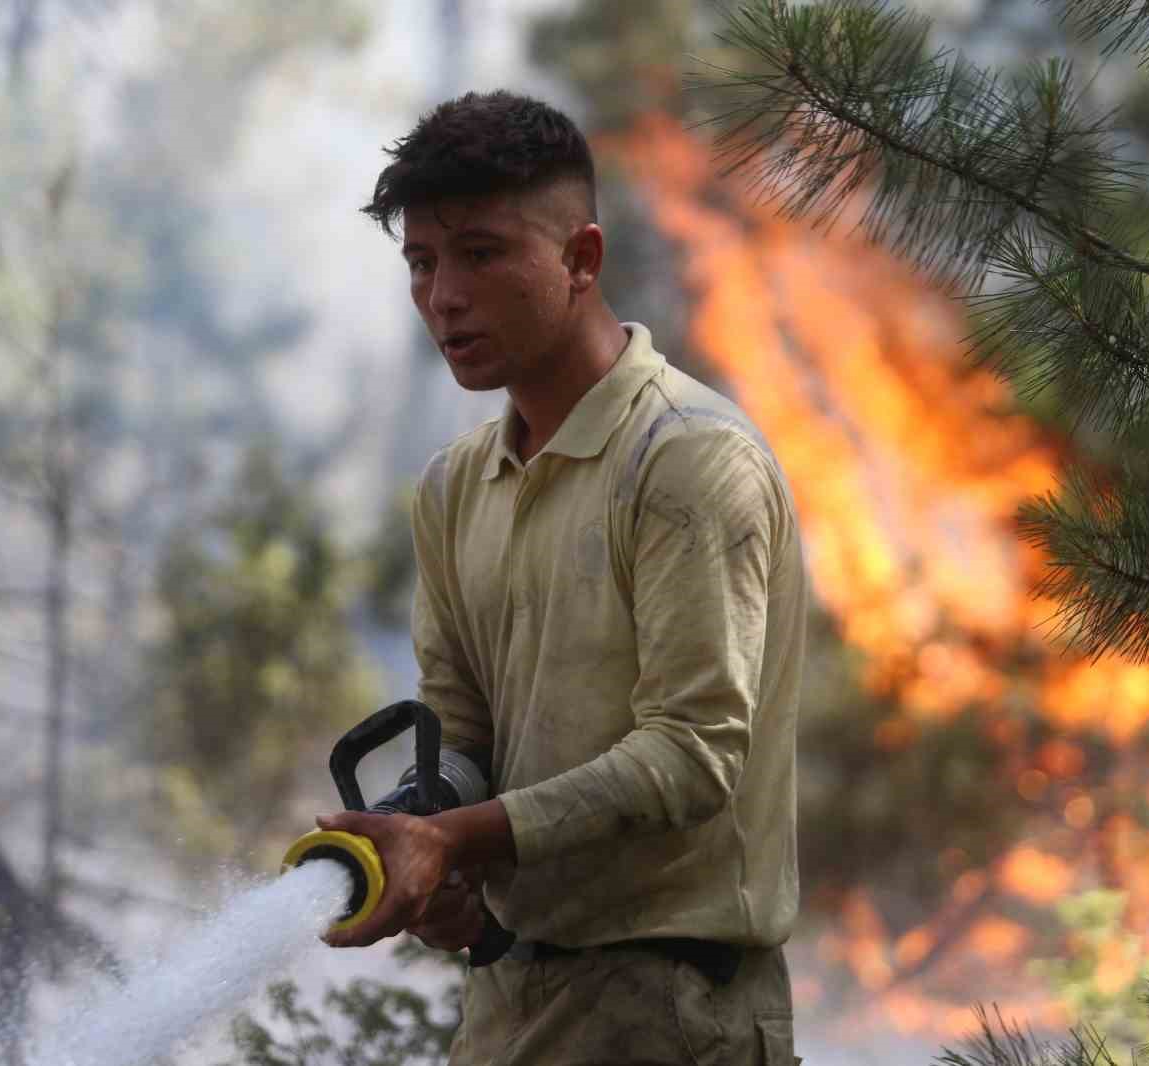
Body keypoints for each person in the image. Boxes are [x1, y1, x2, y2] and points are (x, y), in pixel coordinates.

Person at [314, 89, 807, 1066]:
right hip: (508, 1000)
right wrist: (424, 829)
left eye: (481, 253)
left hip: (674, 1012)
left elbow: (693, 754)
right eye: (422, 262)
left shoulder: (686, 461)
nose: (444, 296)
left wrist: (460, 840)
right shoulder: (457, 486)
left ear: (582, 259)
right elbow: (461, 733)